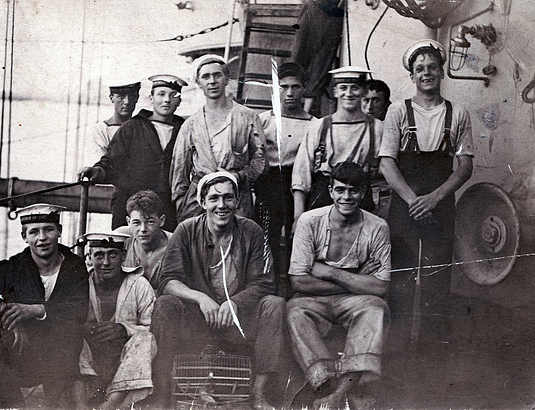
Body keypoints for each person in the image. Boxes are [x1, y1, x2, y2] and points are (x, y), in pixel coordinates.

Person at [151, 171, 285, 409]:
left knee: (274, 304)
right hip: (198, 320)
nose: (221, 205)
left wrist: (235, 302)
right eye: (214, 198)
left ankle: (259, 392)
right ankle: (162, 392)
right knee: (165, 304)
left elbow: (264, 282)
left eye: (228, 198)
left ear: (237, 201)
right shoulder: (186, 230)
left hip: (238, 322)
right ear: (203, 202)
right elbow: (168, 281)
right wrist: (201, 299)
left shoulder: (251, 231)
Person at [0, 204, 89, 408]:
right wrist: (2, 309)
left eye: (48, 229)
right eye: (34, 232)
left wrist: (36, 309)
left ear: (59, 231)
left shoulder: (74, 266)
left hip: (64, 352)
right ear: (25, 237)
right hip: (28, 351)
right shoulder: (16, 267)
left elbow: (79, 310)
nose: (42, 237)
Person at [378, 40, 473, 318]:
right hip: (405, 205)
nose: (426, 72)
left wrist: (434, 199)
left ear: (442, 72)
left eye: (432, 67)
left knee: (437, 279)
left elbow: (465, 166)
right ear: (412, 76)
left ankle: (433, 353)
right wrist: (414, 202)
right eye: (420, 69)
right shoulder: (397, 110)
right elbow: (386, 163)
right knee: (401, 277)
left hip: (440, 205)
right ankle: (397, 350)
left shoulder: (458, 113)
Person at [287, 162, 391, 409]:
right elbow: (299, 280)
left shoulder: (377, 227)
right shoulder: (309, 221)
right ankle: (328, 387)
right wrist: (355, 279)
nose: (347, 197)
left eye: (354, 191)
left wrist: (329, 272)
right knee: (294, 311)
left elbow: (380, 288)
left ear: (363, 193)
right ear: (331, 191)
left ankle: (340, 392)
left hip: (353, 301)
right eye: (340, 190)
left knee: (375, 307)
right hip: (312, 299)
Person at [79, 75, 187, 231]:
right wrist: (96, 171)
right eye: (161, 94)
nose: (167, 100)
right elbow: (111, 162)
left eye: (173, 95)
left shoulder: (185, 130)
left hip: (167, 210)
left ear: (179, 100)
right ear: (151, 97)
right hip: (129, 207)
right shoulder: (132, 127)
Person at [170, 54, 266, 223]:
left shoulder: (248, 117)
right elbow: (179, 171)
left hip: (236, 198)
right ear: (198, 83)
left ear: (226, 79)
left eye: (217, 75)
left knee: (236, 244)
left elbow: (261, 161)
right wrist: (181, 204)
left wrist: (239, 176)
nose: (212, 81)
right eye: (206, 77)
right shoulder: (191, 124)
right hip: (198, 202)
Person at [292, 66, 383, 226]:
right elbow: (301, 172)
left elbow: (385, 175)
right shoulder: (318, 126)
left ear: (363, 91)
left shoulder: (377, 128)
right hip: (323, 195)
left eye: (355, 88)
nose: (348, 94)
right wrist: (298, 216)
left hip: (360, 197)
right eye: (343, 88)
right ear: (335, 92)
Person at [75, 232, 156, 409]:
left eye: (113, 254)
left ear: (123, 256)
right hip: (90, 364)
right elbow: (65, 318)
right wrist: (82, 328)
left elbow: (152, 329)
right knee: (69, 334)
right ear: (89, 258)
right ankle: (80, 404)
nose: (106, 262)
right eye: (99, 255)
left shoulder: (139, 285)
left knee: (145, 339)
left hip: (126, 364)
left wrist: (124, 329)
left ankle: (110, 405)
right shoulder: (79, 284)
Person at [254, 62, 317, 294]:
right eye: (284, 87)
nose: (289, 93)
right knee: (265, 236)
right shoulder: (263, 120)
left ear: (304, 89)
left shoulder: (314, 124)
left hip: (299, 185)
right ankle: (266, 288)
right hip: (268, 184)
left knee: (297, 237)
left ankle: (293, 288)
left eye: (295, 87)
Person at [291, 0, 345, 117]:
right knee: (298, 54)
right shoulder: (310, 6)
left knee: (321, 64)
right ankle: (290, 107)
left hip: (334, 16)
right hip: (313, 9)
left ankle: (305, 112)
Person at [114, 190, 172, 289]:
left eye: (150, 222)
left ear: (161, 221)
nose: (143, 229)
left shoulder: (174, 242)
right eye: (136, 223)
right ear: (128, 221)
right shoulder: (121, 237)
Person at [84, 81, 141, 165]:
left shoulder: (142, 128)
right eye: (121, 97)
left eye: (131, 96)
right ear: (111, 98)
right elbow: (98, 165)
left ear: (137, 98)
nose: (127, 102)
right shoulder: (100, 130)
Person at [362, 79, 393, 219]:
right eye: (365, 100)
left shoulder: (389, 129)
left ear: (386, 104)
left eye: (375, 101)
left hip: (381, 193)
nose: (369, 107)